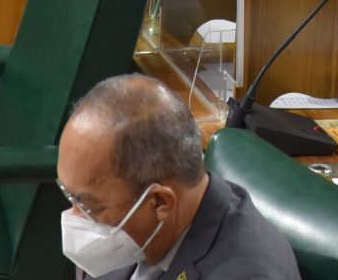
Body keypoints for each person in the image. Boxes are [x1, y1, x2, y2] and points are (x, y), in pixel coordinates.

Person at [56, 73, 296, 280]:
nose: (74, 217)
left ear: (160, 201)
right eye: (70, 195)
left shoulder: (249, 273)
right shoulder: (134, 232)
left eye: (88, 205)